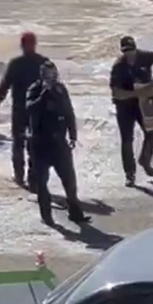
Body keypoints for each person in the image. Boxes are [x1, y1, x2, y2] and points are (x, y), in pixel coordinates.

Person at [26, 61, 90, 226]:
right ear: (42, 75)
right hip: (40, 143)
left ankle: (75, 213)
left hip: (59, 143)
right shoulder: (34, 89)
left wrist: (73, 134)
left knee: (69, 180)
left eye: (54, 74)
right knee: (42, 182)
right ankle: (47, 217)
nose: (52, 77)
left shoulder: (61, 89)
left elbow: (69, 112)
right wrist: (44, 94)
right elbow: (30, 108)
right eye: (48, 75)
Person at [110, 36, 153, 186]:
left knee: (152, 132)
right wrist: (139, 92)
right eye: (126, 51)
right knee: (127, 140)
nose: (129, 54)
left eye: (131, 50)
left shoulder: (146, 57)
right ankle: (130, 174)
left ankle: (145, 159)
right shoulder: (118, 66)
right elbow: (116, 93)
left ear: (136, 48)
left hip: (144, 104)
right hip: (125, 106)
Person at [0, 31, 47, 188]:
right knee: (32, 144)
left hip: (24, 110)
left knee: (21, 143)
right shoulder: (43, 63)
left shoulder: (16, 63)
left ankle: (21, 177)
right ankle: (31, 179)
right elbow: (54, 86)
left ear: (21, 45)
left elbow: (5, 85)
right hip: (36, 111)